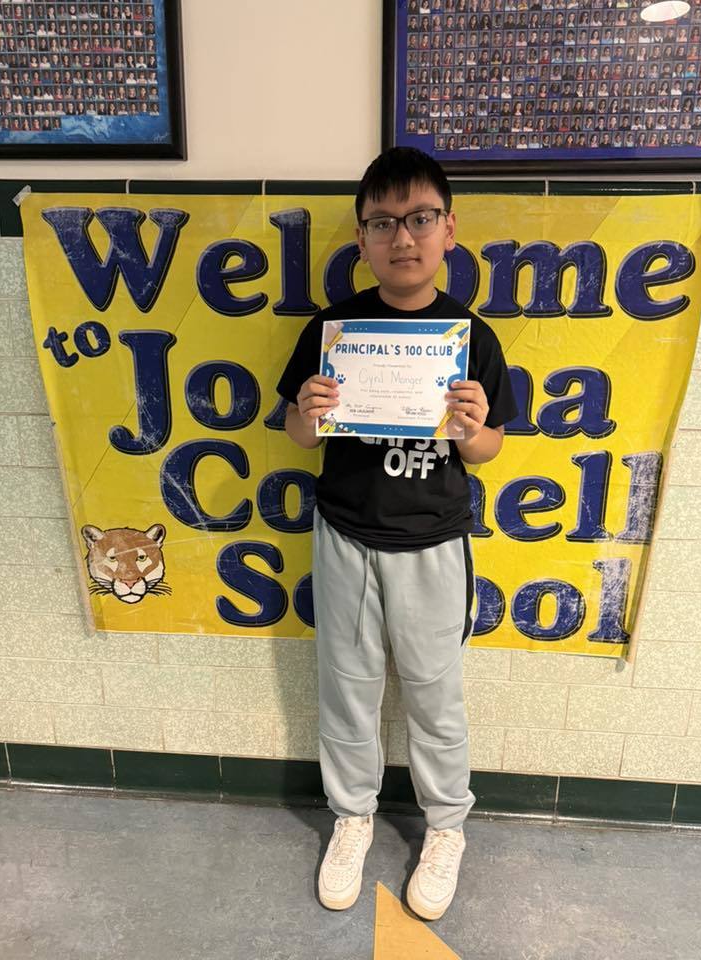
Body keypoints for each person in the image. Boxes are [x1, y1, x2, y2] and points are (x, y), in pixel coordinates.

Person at [276, 147, 517, 921]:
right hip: (346, 533)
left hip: (434, 542)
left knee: (433, 694)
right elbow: (298, 436)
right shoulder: (333, 327)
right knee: (347, 689)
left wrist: (472, 429)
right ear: (361, 239)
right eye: (383, 224)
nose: (402, 238)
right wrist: (307, 412)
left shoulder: (471, 335)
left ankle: (446, 827)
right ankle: (353, 816)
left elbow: (487, 449)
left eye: (418, 220)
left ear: (449, 230)